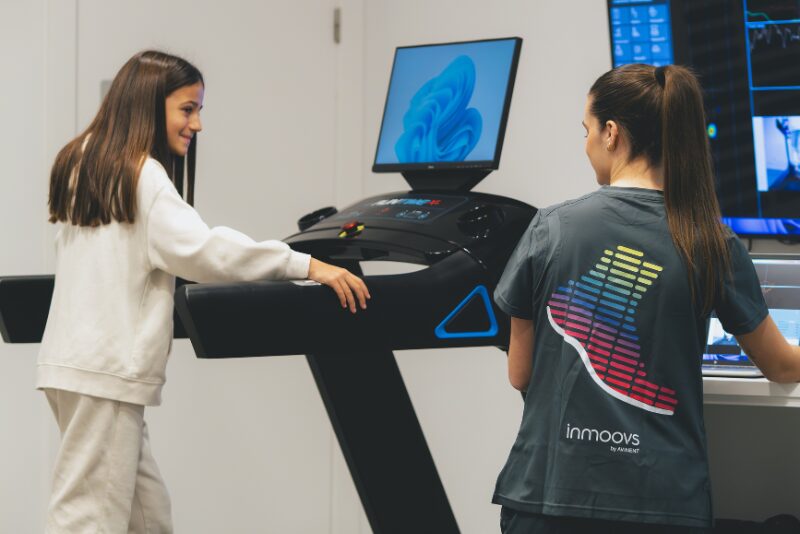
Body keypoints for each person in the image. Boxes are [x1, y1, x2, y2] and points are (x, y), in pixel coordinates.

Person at [37, 50, 369, 533]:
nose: (197, 124)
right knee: (87, 520)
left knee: (147, 515)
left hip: (75, 364)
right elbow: (205, 252)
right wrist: (303, 264)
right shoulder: (141, 174)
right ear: (150, 105)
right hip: (106, 370)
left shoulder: (83, 159)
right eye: (187, 109)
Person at [492, 63, 800, 533]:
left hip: (545, 500)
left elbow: (521, 373)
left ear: (611, 133)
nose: (586, 144)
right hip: (661, 505)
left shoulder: (550, 228)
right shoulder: (711, 242)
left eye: (587, 130)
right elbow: (781, 365)